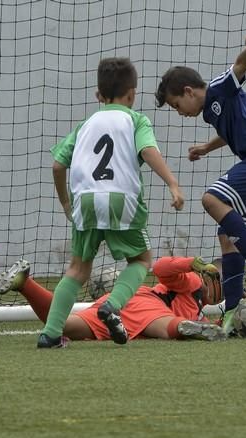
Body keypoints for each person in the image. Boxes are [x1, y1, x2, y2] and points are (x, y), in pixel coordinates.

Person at [42, 57, 185, 348]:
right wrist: (172, 183)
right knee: (142, 260)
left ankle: (51, 334)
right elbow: (147, 151)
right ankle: (113, 305)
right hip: (122, 201)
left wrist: (67, 204)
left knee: (78, 270)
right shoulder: (135, 120)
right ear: (132, 93)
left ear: (99, 95)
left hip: (85, 201)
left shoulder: (85, 125)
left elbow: (57, 166)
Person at [155, 33, 246, 334]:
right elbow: (231, 131)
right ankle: (230, 313)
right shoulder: (212, 111)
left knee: (212, 200)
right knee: (228, 236)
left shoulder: (217, 89)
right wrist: (206, 147)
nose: (180, 113)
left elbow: (239, 66)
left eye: (177, 105)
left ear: (189, 91)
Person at [0, 256, 226, 344]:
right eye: (216, 279)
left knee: (63, 325)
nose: (216, 286)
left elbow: (212, 326)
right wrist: (192, 264)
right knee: (166, 327)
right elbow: (161, 268)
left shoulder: (200, 312)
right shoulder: (193, 282)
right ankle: (181, 329)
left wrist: (224, 326)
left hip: (119, 306)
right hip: (147, 305)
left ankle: (25, 284)